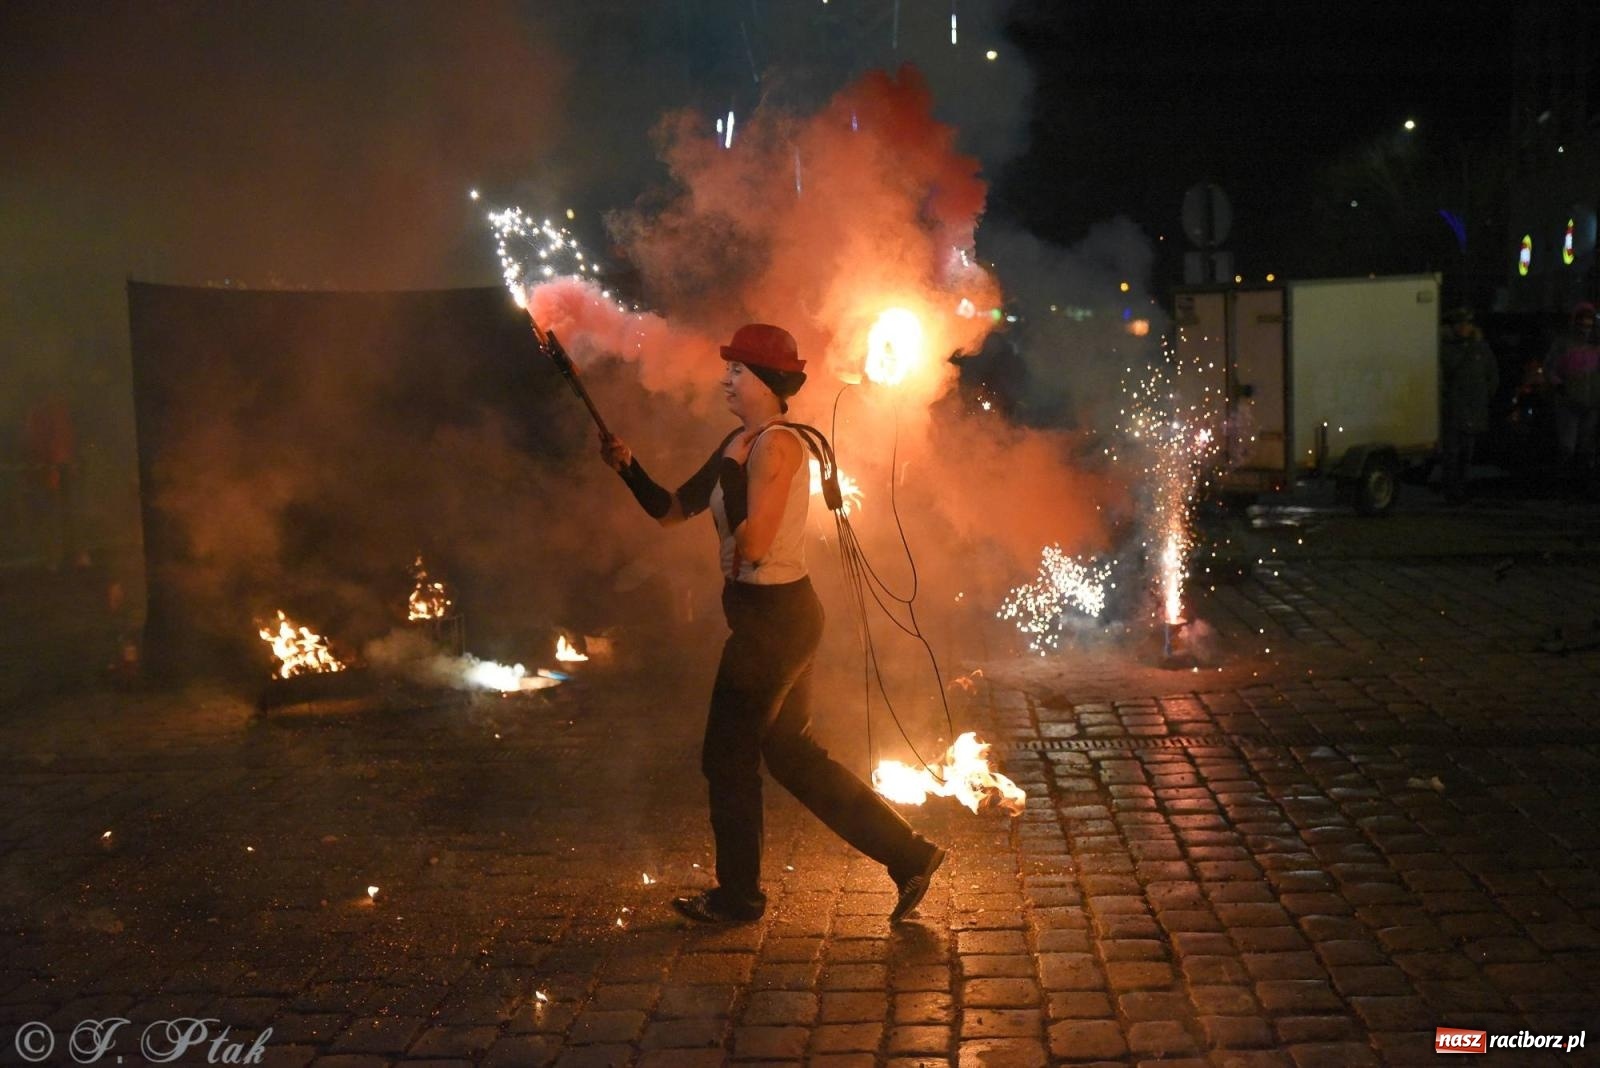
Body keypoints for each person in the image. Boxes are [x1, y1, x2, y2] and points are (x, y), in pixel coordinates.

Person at [598, 323, 946, 924]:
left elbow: (753, 544)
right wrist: (628, 469)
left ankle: (740, 898)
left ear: (765, 383)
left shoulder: (777, 447)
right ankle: (910, 856)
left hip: (774, 625)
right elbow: (670, 511)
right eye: (729, 369)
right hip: (775, 619)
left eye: (737, 371)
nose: (726, 379)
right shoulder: (740, 442)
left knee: (725, 758)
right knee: (791, 756)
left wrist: (733, 475)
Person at [1437, 307, 1499, 503]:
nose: (1464, 327)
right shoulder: (1445, 348)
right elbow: (1440, 378)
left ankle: (1461, 489)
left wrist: (1484, 396)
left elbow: (1492, 375)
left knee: (1467, 453)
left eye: (1468, 323)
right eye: (1461, 323)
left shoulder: (1481, 348)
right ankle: (1452, 491)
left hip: (1474, 409)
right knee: (1452, 453)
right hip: (1454, 409)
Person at [1543, 301, 1599, 487]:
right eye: (1583, 320)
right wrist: (1559, 385)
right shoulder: (1564, 343)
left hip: (1592, 401)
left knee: (1587, 445)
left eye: (1589, 320)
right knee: (1567, 445)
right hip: (1569, 401)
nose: (1586, 325)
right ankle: (1564, 482)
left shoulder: (1596, 344)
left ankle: (1582, 483)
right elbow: (1550, 367)